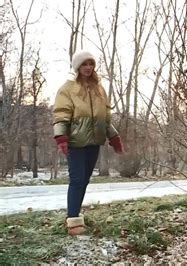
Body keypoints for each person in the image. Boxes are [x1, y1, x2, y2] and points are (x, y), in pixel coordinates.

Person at [53, 50, 124, 236]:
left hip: (94, 142)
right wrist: (61, 137)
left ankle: (74, 216)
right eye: (84, 64)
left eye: (90, 64)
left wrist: (113, 137)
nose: (88, 67)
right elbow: (61, 114)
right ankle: (73, 221)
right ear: (77, 67)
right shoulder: (67, 89)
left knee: (84, 180)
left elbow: (105, 117)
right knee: (76, 180)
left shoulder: (99, 89)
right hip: (75, 142)